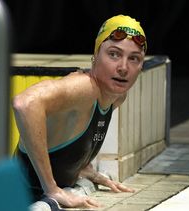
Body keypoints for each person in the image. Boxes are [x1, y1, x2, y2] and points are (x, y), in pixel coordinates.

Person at [13, 14, 147, 209]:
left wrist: (83, 169)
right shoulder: (84, 87)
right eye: (114, 54)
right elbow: (24, 104)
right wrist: (52, 189)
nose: (123, 67)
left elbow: (69, 137)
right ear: (95, 56)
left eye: (134, 58)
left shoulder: (116, 97)